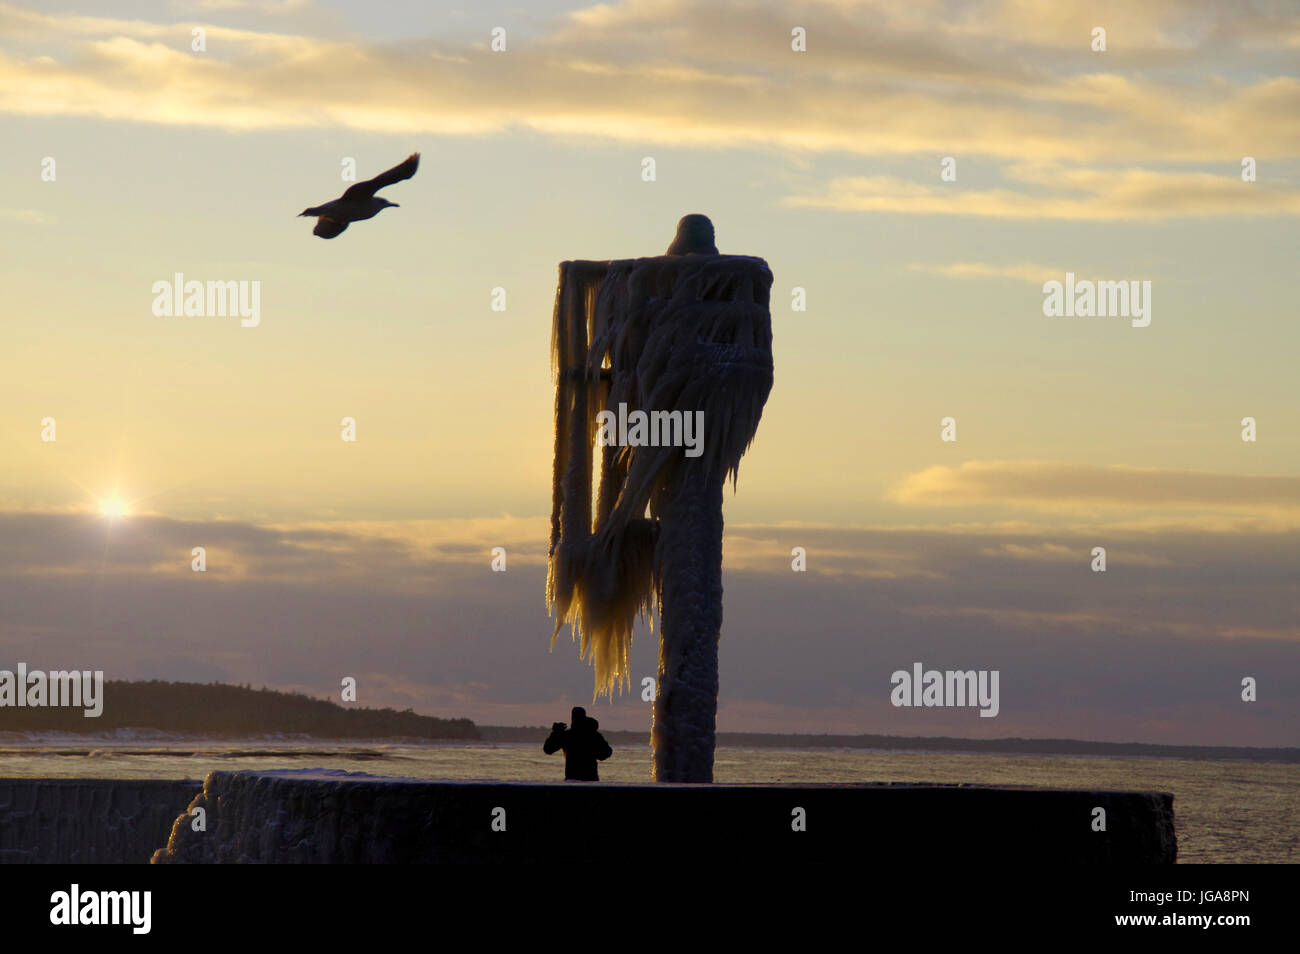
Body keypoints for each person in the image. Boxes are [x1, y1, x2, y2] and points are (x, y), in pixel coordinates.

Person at [543, 706, 612, 781]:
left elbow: (548, 749)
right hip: (590, 780)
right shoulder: (593, 735)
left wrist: (556, 732)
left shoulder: (568, 735)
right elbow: (606, 753)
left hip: (573, 780)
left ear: (572, 718)